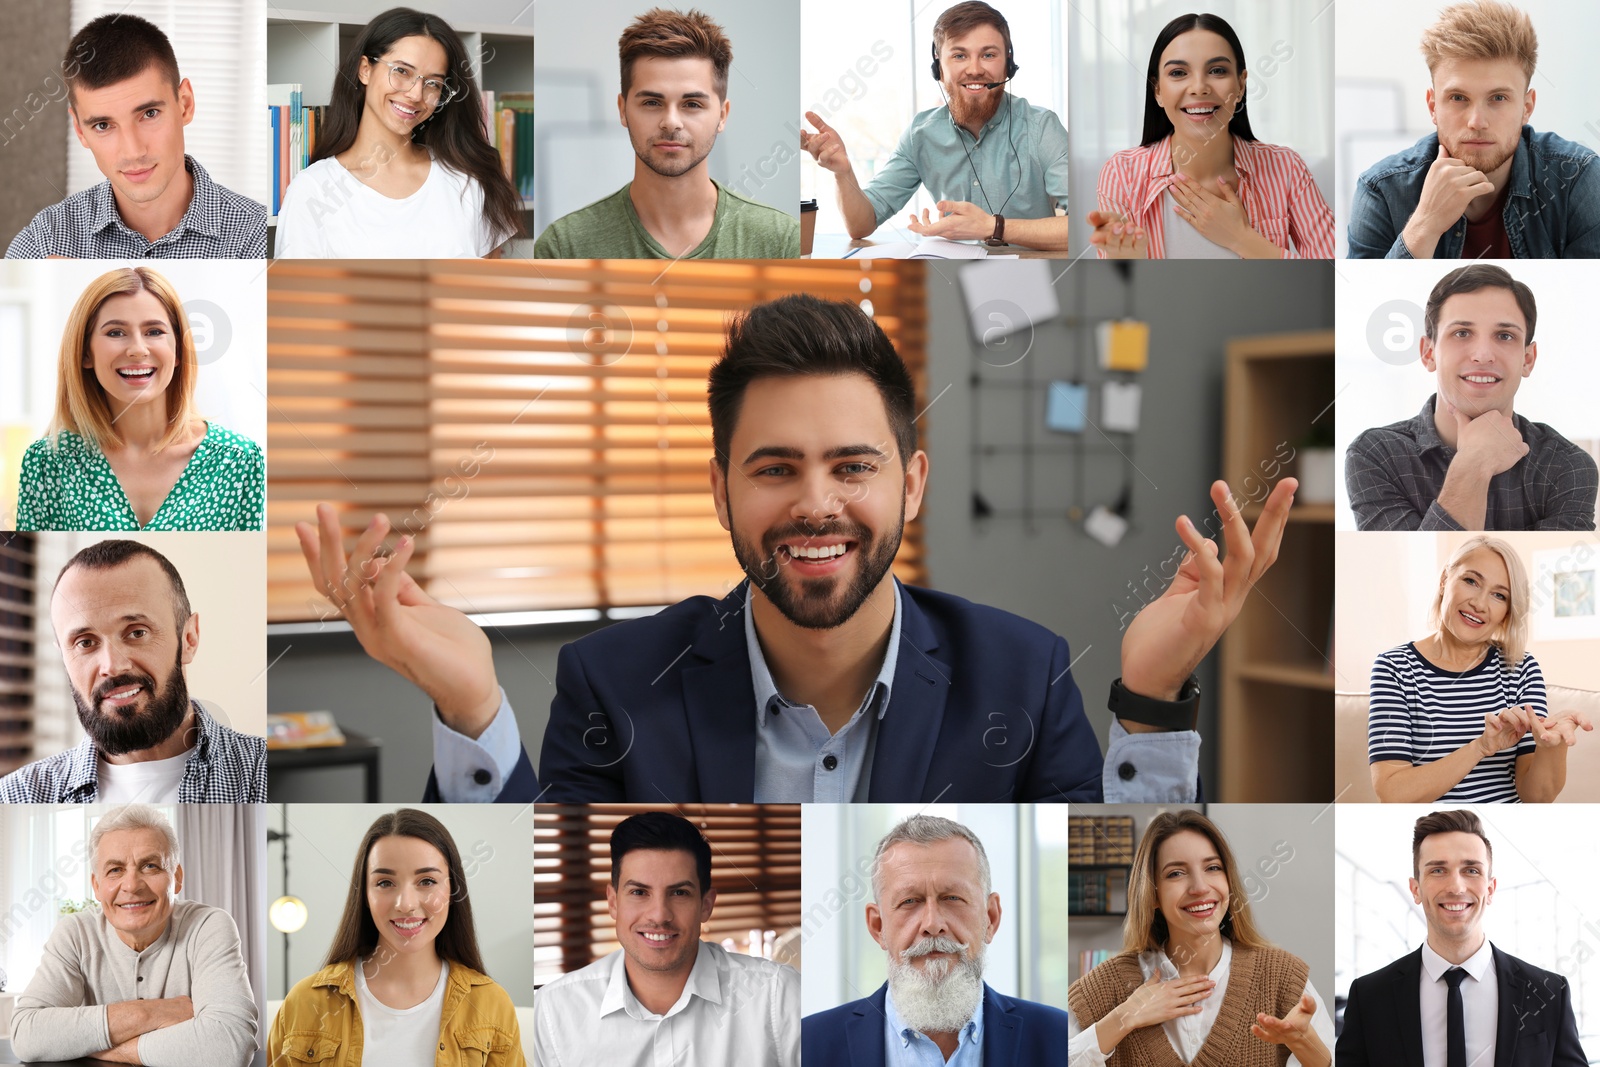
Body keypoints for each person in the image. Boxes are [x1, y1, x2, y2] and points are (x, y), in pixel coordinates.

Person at [296, 293, 1299, 804]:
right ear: (719, 487)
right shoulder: (610, 680)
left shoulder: (1020, 673)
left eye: (852, 467)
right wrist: (472, 707)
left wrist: (1153, 693)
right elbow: (508, 907)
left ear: (912, 482)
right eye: (774, 467)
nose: (815, 505)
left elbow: (1122, 911)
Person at [0, 539, 267, 803]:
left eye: (137, 633)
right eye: (85, 643)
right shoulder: (15, 797)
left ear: (189, 639)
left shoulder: (263, 773)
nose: (112, 666)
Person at [1065, 810, 1332, 1066]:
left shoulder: (1282, 978)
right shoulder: (1101, 989)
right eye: (1176, 873)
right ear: (1153, 894)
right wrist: (1124, 1017)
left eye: (1213, 868)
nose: (1200, 887)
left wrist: (1304, 1042)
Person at [533, 811, 798, 1066]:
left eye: (679, 893)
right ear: (613, 902)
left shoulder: (779, 996)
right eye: (639, 892)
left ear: (706, 905)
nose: (659, 915)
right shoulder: (552, 1011)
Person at [1345, 265, 1597, 531]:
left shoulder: (1568, 466)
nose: (1483, 354)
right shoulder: (1374, 454)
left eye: (1504, 336)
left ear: (1528, 359)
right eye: (1462, 333)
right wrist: (1473, 462)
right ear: (1429, 354)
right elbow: (1416, 569)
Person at [801, 2, 1069, 251]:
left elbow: (1087, 225)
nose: (974, 69)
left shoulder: (1041, 127)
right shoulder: (921, 134)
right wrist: (843, 173)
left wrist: (993, 227)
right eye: (959, 55)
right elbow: (861, 225)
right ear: (938, 68)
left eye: (988, 54)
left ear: (1007, 65)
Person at [533, 8, 799, 259]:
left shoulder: (782, 242)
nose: (671, 123)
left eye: (692, 104)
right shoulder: (563, 247)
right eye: (652, 103)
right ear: (623, 110)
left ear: (722, 115)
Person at [803, 815, 1068, 1065]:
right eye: (910, 901)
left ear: (990, 917)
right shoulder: (808, 1044)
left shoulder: (1060, 1038)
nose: (932, 925)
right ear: (878, 926)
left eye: (952, 898)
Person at [15, 266, 264, 531]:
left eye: (154, 332)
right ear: (85, 353)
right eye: (115, 333)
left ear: (178, 350)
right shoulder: (47, 462)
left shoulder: (239, 459)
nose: (137, 349)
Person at [268, 808, 523, 1067]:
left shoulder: (492, 1004)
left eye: (426, 881)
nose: (406, 904)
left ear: (452, 891)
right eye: (385, 883)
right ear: (364, 895)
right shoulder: (304, 1002)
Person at [1346, 0, 1600, 259]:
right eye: (1458, 98)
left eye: (1498, 98)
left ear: (1527, 107)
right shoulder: (1381, 191)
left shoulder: (1577, 179)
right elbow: (1366, 298)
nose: (1477, 122)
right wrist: (1425, 225)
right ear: (1433, 106)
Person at [10, 804, 259, 1066]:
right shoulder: (75, 933)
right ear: (96, 885)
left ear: (177, 877)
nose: (131, 886)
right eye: (115, 870)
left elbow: (230, 1045)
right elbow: (26, 1034)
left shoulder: (208, 926)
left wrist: (98, 1046)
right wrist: (148, 1013)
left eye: (150, 866)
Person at [1337, 809, 1588, 1065]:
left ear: (1490, 889)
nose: (1456, 887)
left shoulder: (1549, 993)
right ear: (1416, 889)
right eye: (1437, 870)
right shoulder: (1369, 996)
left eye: (1471, 870)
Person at [5, 14, 266, 259]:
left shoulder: (258, 239)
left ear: (185, 104)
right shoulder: (42, 243)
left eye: (149, 114)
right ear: (80, 130)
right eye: (103, 125)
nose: (133, 152)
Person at [274, 8, 523, 259]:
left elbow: (488, 290)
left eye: (433, 83)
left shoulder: (467, 180)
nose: (416, 94)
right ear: (365, 70)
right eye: (402, 71)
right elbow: (299, 296)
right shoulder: (313, 190)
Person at [1087, 13, 1333, 260]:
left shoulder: (1286, 168)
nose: (1199, 87)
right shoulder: (1122, 173)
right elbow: (1117, 294)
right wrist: (1133, 261)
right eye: (1178, 73)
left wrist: (1242, 239)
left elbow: (1333, 281)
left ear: (1241, 85)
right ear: (1158, 91)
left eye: (1217, 70)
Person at [1368, 535, 1592, 803]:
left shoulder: (1520, 667)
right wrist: (1481, 747)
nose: (1480, 604)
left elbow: (1537, 798)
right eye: (1471, 581)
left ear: (1507, 613)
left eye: (1499, 595)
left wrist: (1550, 748)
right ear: (1444, 581)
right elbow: (1393, 794)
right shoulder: (1395, 667)